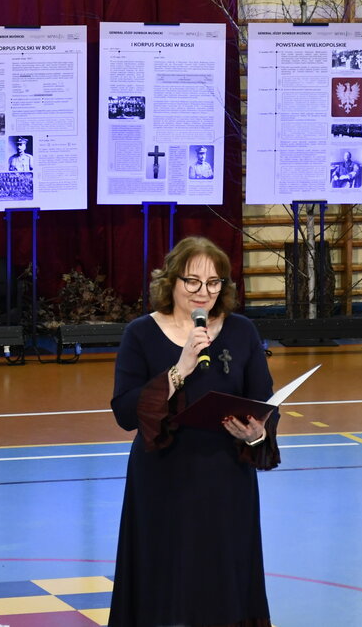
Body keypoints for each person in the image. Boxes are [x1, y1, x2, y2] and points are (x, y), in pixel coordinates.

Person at [109, 236, 278, 627]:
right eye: (193, 281)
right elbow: (125, 412)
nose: (204, 292)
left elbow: (264, 400)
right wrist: (179, 369)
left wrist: (256, 432)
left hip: (226, 478)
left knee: (224, 576)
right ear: (171, 281)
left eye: (214, 282)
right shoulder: (140, 333)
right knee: (165, 576)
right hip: (162, 478)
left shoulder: (242, 331)